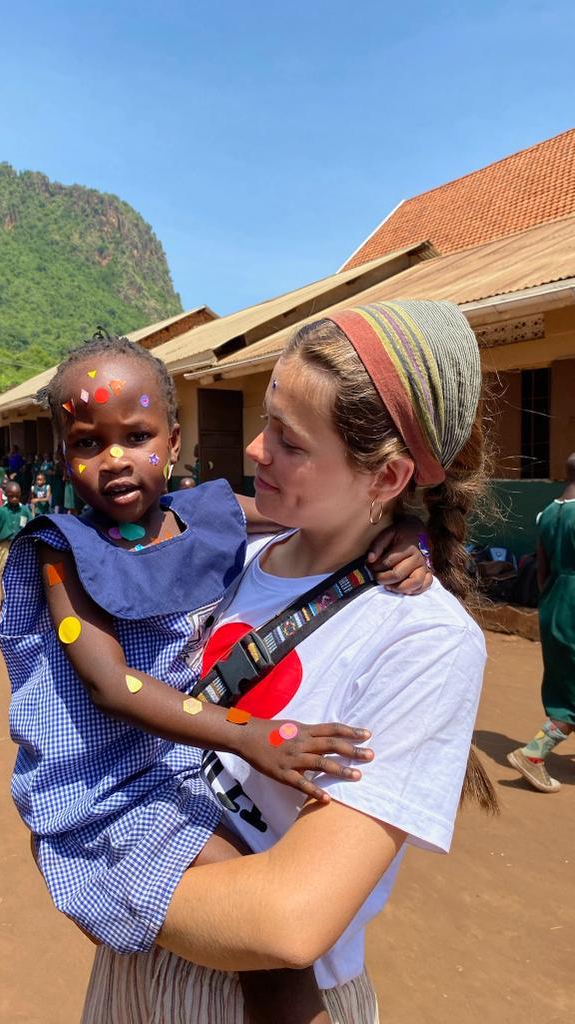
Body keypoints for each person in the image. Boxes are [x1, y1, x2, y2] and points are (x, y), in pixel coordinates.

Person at [74, 302, 497, 1024]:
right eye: (265, 421)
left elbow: (287, 922)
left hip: (252, 992)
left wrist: (85, 857)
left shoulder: (423, 640)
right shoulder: (221, 560)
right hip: (135, 960)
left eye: (290, 443)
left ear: (387, 478)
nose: (254, 452)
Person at [0, 330, 432, 1021]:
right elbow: (113, 686)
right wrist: (254, 736)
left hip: (179, 768)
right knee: (277, 957)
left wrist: (403, 531)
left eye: (136, 436)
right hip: (113, 784)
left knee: (279, 966)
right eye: (87, 443)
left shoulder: (207, 514)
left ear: (172, 440)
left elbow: (310, 520)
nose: (114, 461)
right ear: (62, 454)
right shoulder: (64, 554)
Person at [507, 452, 575, 792]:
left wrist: (551, 603)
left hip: (553, 606)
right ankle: (533, 754)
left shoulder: (547, 513)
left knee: (566, 682)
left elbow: (542, 570)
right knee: (569, 699)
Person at [0, 481, 31, 579]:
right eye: (11, 496)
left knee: (20, 573)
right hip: (4, 545)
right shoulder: (1, 510)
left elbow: (32, 524)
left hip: (21, 545)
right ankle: (4, 593)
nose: (14, 499)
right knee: (4, 572)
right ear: (6, 496)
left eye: (17, 496)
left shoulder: (25, 510)